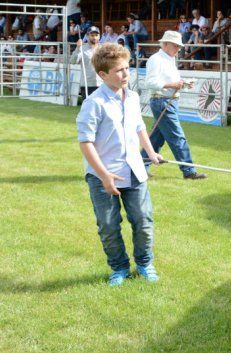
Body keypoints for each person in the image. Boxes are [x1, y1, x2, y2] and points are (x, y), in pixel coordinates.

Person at [76, 42, 164, 286]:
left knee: (143, 221)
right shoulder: (93, 103)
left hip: (134, 172)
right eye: (119, 70)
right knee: (108, 225)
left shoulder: (133, 97)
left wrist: (151, 153)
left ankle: (145, 264)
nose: (126, 74)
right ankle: (119, 268)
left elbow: (139, 127)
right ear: (103, 75)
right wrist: (104, 175)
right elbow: (86, 142)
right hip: (103, 176)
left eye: (127, 68)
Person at [142, 30, 207, 180]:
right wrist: (174, 84)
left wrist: (182, 84)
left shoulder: (168, 59)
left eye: (179, 46)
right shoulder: (156, 59)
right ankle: (188, 171)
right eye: (176, 46)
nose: (179, 49)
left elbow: (169, 82)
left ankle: (139, 167)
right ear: (165, 44)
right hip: (162, 102)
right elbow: (150, 82)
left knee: (156, 139)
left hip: (167, 101)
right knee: (178, 137)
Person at [71, 26, 102, 99]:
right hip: (87, 84)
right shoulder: (82, 48)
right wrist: (78, 48)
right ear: (87, 36)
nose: (94, 37)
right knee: (89, 109)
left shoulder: (103, 49)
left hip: (102, 84)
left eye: (96, 35)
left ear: (99, 36)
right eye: (92, 35)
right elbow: (73, 61)